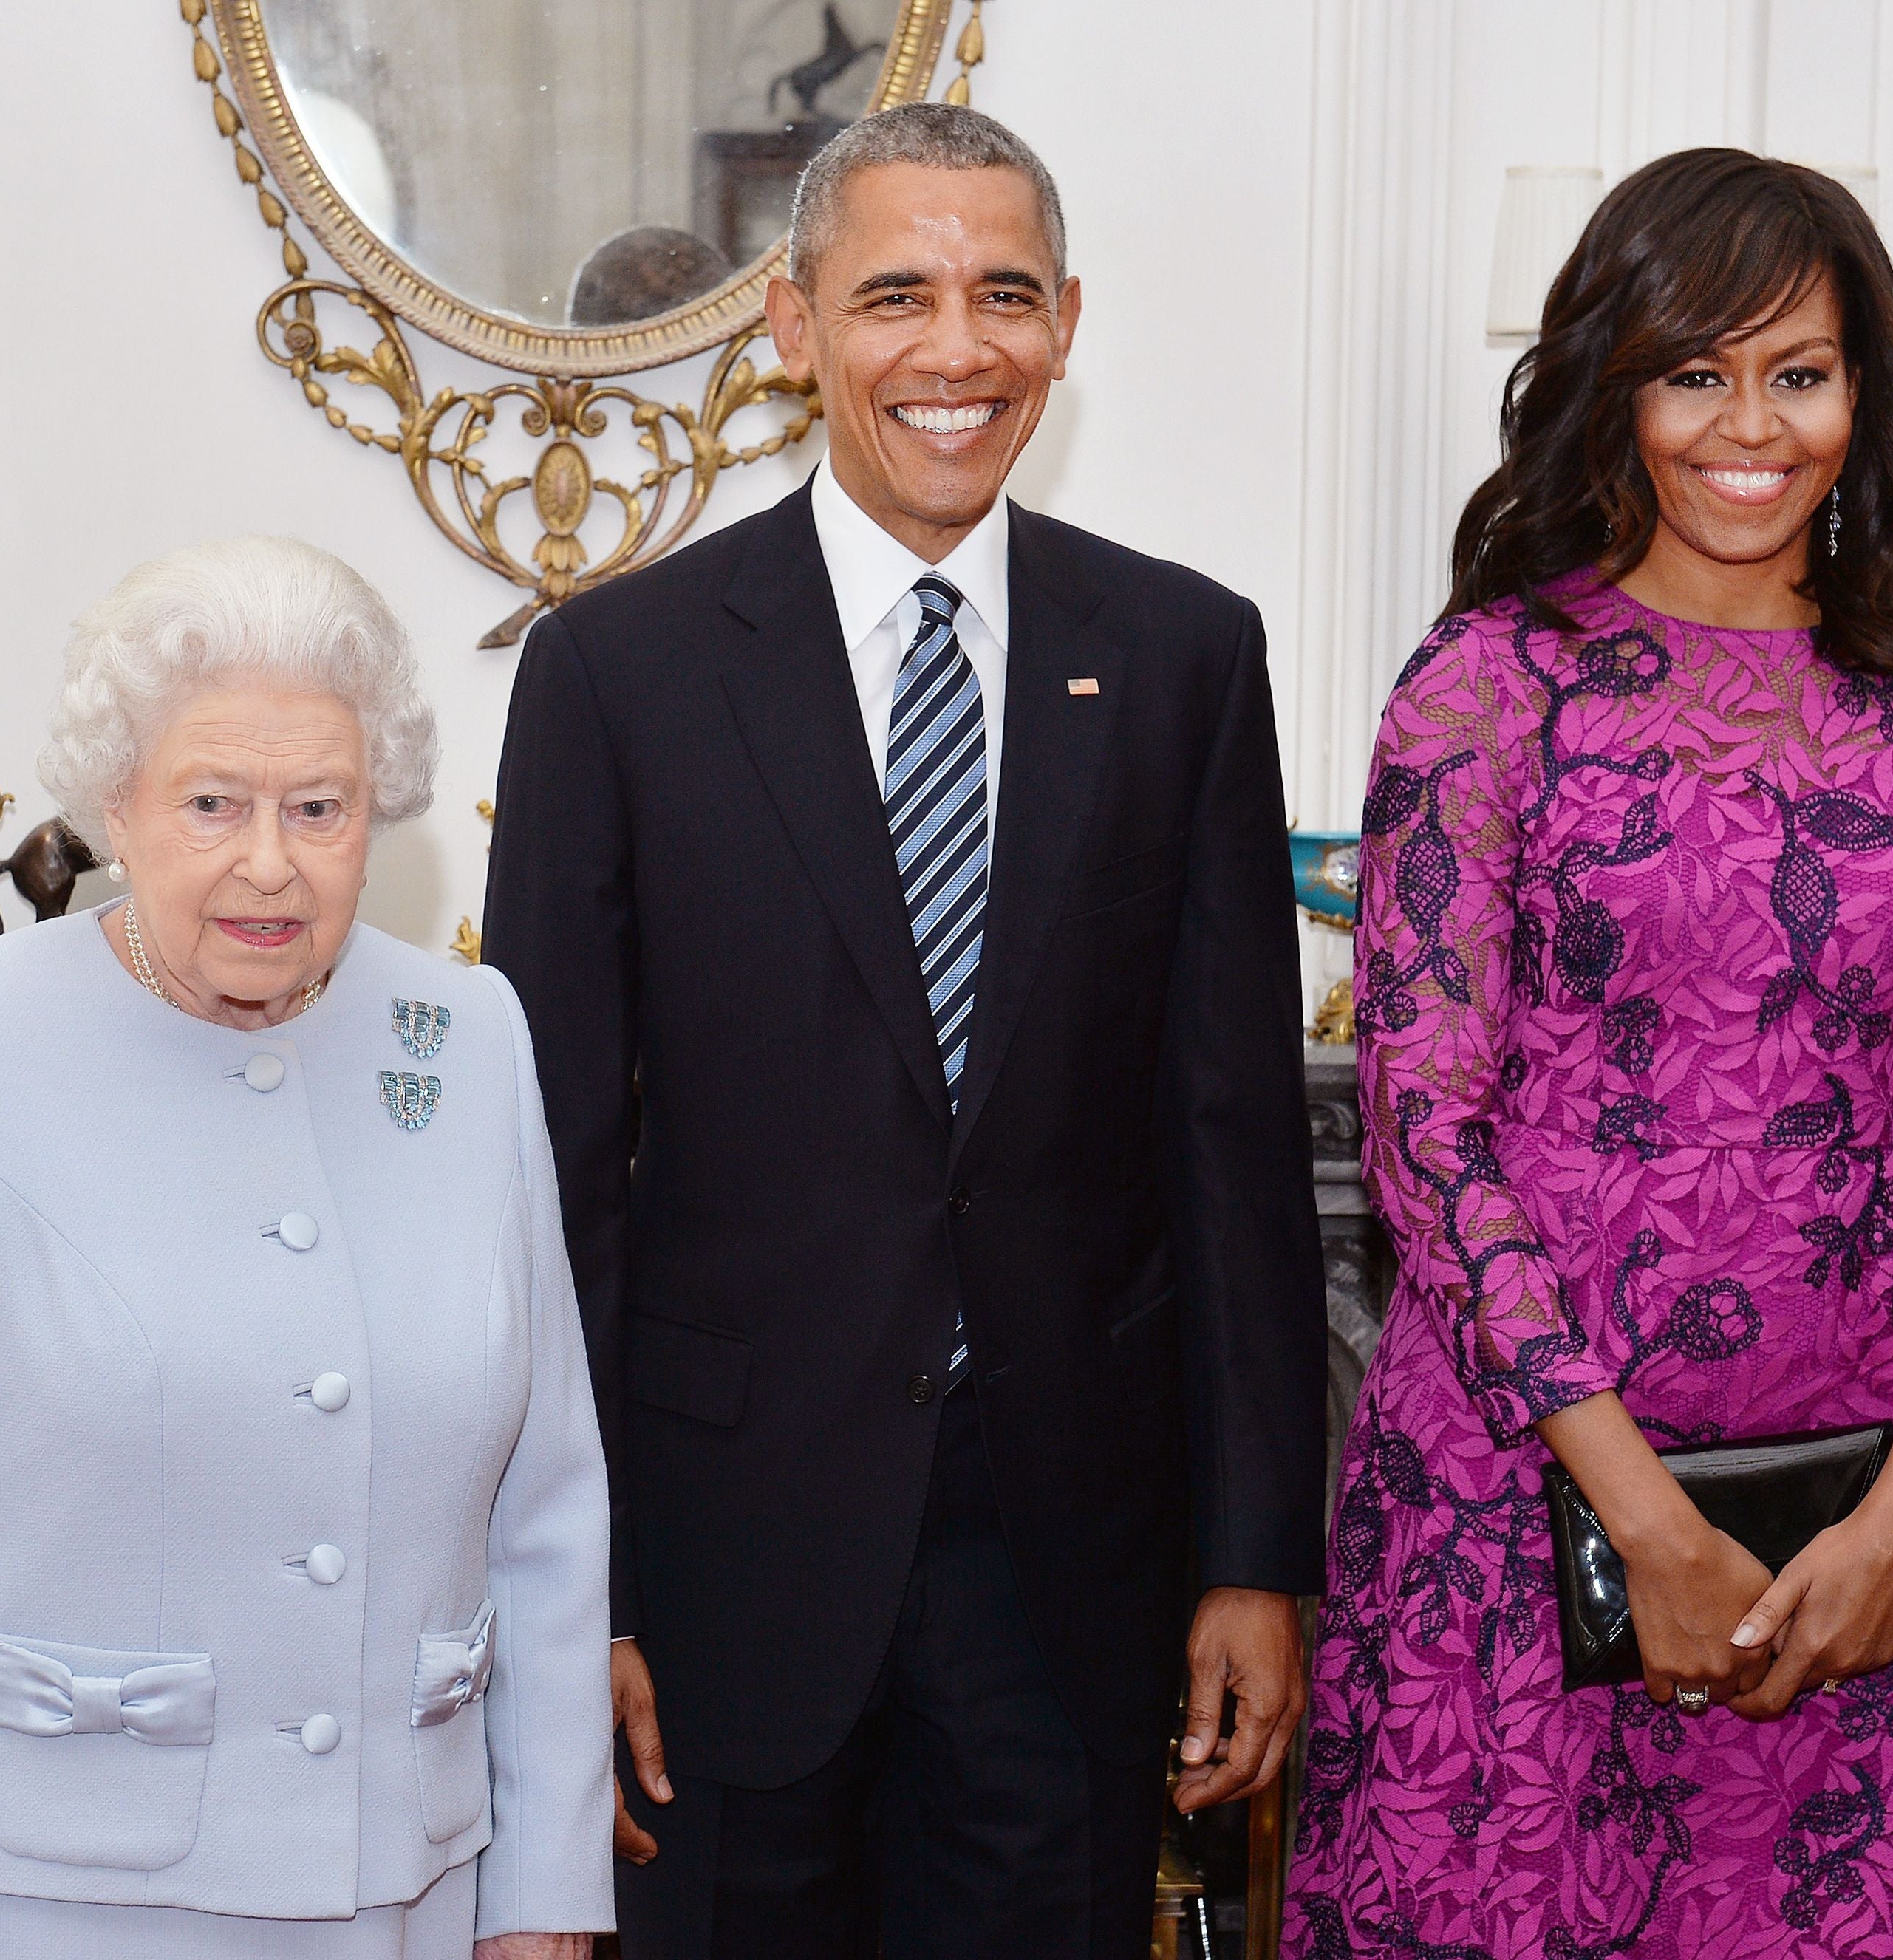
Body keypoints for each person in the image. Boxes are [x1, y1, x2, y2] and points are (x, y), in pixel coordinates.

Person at [484, 102, 1326, 1959]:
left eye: (1002, 295)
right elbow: (546, 1185)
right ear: (792, 327)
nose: (956, 350)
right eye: (893, 296)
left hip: (1071, 1573)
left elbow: (1235, 1145)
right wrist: (577, 1595)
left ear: (1068, 321)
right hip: (719, 1571)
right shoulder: (615, 674)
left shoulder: (1185, 654)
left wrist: (1255, 1554)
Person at [1285, 148, 1893, 1959]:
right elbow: (1427, 1132)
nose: (1751, 425)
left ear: (1862, 393)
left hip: (1862, 1548)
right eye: (1693, 370)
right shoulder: (1485, 684)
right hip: (1511, 1519)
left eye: (1796, 372)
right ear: (1614, 389)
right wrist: (1633, 1512)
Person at [0, 536, 614, 1960]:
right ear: (117, 802)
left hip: (407, 1901)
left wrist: (542, 1896)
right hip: (55, 1911)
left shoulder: (468, 1040)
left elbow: (545, 1513)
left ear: (378, 811)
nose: (268, 862)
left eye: (321, 807)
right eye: (212, 801)